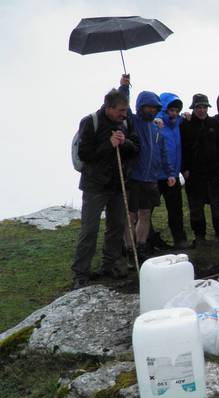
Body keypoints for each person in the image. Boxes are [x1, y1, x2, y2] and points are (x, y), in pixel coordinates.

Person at [71, 87, 139, 288]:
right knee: (90, 229)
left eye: (125, 110)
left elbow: (135, 149)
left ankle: (109, 265)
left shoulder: (124, 123)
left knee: (116, 227)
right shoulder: (90, 122)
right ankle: (80, 274)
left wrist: (123, 142)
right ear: (109, 108)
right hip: (95, 185)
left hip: (118, 184)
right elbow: (85, 154)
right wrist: (109, 144)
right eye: (120, 110)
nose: (124, 114)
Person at [119, 81, 174, 262]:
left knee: (145, 214)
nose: (152, 111)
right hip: (133, 177)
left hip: (151, 178)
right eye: (149, 107)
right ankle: (129, 250)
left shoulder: (156, 127)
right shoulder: (132, 121)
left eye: (155, 108)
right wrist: (124, 88)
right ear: (140, 107)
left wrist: (170, 172)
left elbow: (163, 152)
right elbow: (123, 106)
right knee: (131, 216)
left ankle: (141, 248)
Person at [181, 93, 219, 246]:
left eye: (204, 107)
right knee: (196, 207)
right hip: (194, 174)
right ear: (193, 108)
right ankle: (199, 236)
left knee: (218, 206)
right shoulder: (185, 124)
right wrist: (184, 169)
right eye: (198, 107)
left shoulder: (215, 124)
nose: (201, 110)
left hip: (214, 173)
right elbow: (181, 149)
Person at [156, 93, 187, 249]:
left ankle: (180, 239)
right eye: (171, 110)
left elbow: (184, 117)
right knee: (146, 211)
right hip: (156, 176)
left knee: (176, 210)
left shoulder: (177, 122)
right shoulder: (157, 123)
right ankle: (148, 240)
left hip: (173, 175)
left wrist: (188, 114)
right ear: (164, 109)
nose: (174, 113)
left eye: (177, 110)